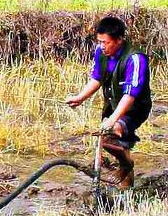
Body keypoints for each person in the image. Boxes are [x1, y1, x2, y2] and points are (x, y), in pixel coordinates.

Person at [64, 13, 151, 189]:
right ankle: (126, 186)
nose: (102, 46)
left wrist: (112, 120)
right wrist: (80, 98)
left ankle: (126, 166)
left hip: (135, 109)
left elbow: (130, 95)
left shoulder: (135, 59)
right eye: (100, 42)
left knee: (109, 134)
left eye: (106, 42)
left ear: (119, 40)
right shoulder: (100, 53)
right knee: (117, 141)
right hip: (113, 104)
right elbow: (97, 78)